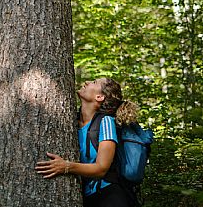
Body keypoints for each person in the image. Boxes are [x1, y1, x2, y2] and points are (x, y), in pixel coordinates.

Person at [35, 77, 139, 207]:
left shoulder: (105, 122)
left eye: (94, 82)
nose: (87, 83)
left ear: (99, 97)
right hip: (86, 198)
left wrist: (66, 166)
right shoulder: (72, 121)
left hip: (109, 196)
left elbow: (101, 168)